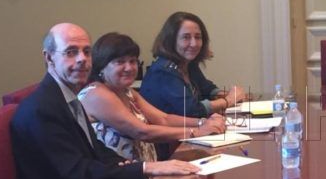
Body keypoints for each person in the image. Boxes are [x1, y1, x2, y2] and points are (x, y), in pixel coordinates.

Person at [10, 23, 200, 179]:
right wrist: (145, 169)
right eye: (71, 52)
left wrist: (130, 167)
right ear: (49, 57)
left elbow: (96, 150)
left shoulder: (66, 96)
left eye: (86, 52)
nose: (82, 59)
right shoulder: (42, 109)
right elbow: (81, 174)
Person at [78, 33, 226, 162]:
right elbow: (142, 131)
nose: (129, 68)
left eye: (132, 61)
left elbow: (164, 119)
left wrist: (203, 122)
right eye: (120, 62)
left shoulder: (127, 92)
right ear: (102, 66)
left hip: (145, 172)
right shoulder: (97, 94)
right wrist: (197, 132)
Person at [140, 11, 245, 118]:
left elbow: (207, 89)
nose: (194, 44)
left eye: (198, 37)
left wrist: (229, 94)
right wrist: (229, 100)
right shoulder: (163, 71)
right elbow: (191, 110)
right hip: (170, 128)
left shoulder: (189, 64)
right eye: (186, 37)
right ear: (171, 40)